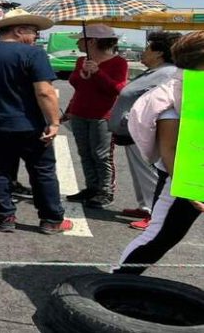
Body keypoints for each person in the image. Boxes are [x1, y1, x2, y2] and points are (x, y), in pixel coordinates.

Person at [0, 8, 73, 235]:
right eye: (34, 32)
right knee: (42, 170)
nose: (36, 37)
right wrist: (54, 122)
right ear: (19, 30)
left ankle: (5, 217)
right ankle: (51, 220)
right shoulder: (33, 54)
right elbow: (44, 92)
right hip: (28, 126)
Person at [115, 30, 204, 274]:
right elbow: (170, 148)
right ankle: (119, 278)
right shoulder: (174, 96)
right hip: (184, 178)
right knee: (161, 235)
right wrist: (185, 187)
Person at [109, 32, 181, 230]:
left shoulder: (166, 73)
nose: (144, 52)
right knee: (138, 171)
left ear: (158, 53)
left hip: (146, 131)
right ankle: (145, 206)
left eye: (148, 48)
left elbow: (160, 103)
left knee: (148, 172)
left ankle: (153, 212)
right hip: (132, 130)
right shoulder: (154, 71)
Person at [64, 24, 128, 209]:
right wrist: (83, 72)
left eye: (81, 39)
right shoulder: (82, 60)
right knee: (84, 153)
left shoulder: (118, 63)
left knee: (101, 155)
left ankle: (105, 191)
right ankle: (91, 188)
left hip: (103, 115)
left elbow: (117, 90)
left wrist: (98, 73)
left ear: (92, 41)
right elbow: (76, 85)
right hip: (79, 113)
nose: (77, 42)